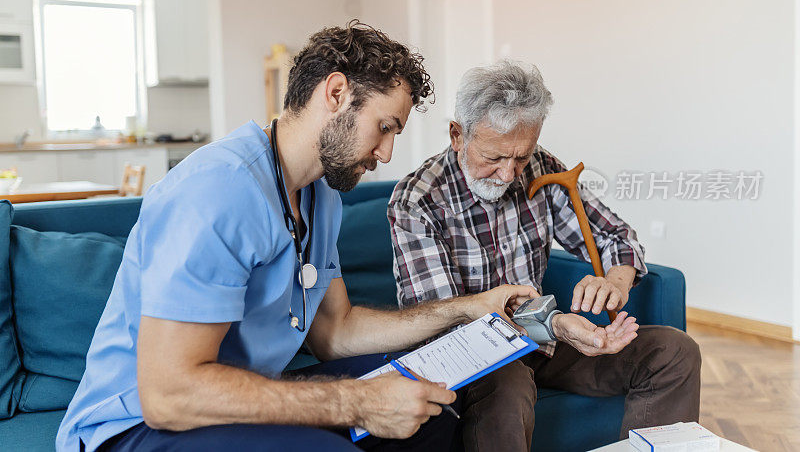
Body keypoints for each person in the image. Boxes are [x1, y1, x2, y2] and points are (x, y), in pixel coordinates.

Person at [55, 24, 540, 452]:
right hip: (138, 426)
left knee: (430, 412)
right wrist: (357, 402)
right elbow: (169, 395)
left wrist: (468, 307)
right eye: (385, 127)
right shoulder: (217, 190)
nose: (388, 154)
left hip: (235, 396)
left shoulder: (321, 195)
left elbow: (335, 332)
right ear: (335, 93)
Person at [388, 60, 702, 452]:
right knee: (507, 380)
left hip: (547, 341)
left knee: (673, 351)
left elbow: (617, 237)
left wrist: (613, 282)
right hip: (477, 355)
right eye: (494, 158)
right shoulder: (417, 200)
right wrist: (554, 323)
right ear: (457, 135)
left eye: (521, 156)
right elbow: (446, 322)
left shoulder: (542, 168)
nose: (509, 174)